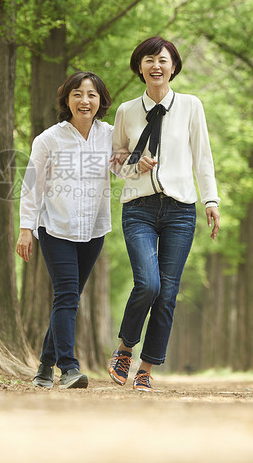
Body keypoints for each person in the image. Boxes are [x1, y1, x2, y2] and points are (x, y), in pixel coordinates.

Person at [108, 36, 220, 392]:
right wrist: (134, 164)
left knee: (168, 293)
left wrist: (211, 200)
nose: (156, 66)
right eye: (148, 60)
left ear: (173, 67)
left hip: (180, 210)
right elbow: (114, 162)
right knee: (149, 284)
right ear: (139, 66)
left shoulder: (190, 106)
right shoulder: (126, 110)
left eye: (163, 60)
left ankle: (146, 367)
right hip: (138, 207)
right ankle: (125, 348)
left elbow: (202, 156)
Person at [17, 71, 114, 389]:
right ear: (67, 100)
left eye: (91, 95)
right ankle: (69, 367)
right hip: (56, 228)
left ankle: (45, 365)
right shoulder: (49, 139)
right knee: (67, 295)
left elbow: (124, 164)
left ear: (100, 101)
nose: (84, 100)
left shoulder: (111, 136)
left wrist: (141, 162)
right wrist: (25, 229)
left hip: (94, 229)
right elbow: (32, 186)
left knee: (69, 299)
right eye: (77, 94)